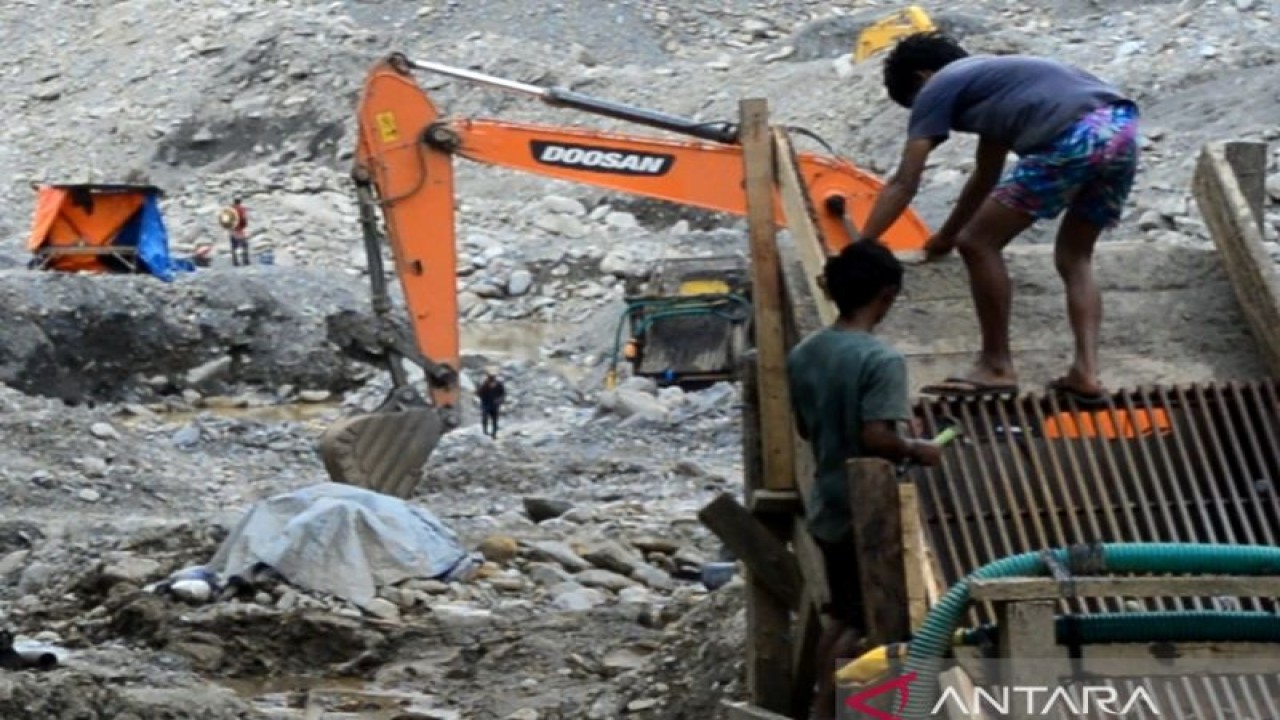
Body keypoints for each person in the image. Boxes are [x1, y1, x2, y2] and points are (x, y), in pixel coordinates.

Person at [855, 32, 1140, 405]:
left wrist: (862, 247)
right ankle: (1086, 372)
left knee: (978, 244)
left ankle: (996, 366)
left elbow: (905, 181)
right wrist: (945, 236)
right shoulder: (999, 85)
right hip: (1121, 129)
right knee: (1075, 256)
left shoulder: (938, 85)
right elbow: (985, 177)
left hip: (1074, 137)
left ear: (922, 78)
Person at [786, 239, 944, 720]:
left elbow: (804, 427)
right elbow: (876, 436)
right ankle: (829, 710)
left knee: (841, 614)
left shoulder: (806, 352)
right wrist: (919, 449)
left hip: (827, 501)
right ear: (887, 294)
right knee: (871, 622)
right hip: (866, 511)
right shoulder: (882, 361)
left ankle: (820, 704)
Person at [477, 369, 506, 439]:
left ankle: (494, 434)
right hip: (486, 404)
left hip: (494, 405)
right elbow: (479, 393)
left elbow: (503, 394)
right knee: (485, 418)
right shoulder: (485, 384)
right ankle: (485, 431)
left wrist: (499, 400)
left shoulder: (499, 384)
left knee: (494, 420)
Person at [228, 197, 250, 267]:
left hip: (232, 230)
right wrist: (244, 226)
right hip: (240, 230)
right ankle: (245, 260)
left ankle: (235, 262)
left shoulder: (230, 209)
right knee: (244, 245)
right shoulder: (242, 209)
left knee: (234, 246)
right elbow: (244, 219)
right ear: (240, 202)